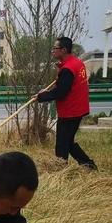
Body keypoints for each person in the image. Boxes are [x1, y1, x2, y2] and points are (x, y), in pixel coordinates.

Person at [34, 36, 97, 170]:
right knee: (68, 141)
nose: (53, 51)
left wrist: (41, 97)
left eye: (55, 48)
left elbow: (61, 92)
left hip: (71, 111)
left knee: (62, 143)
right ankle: (89, 165)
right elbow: (66, 83)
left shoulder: (68, 69)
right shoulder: (77, 63)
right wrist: (59, 72)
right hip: (78, 109)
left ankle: (60, 169)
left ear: (63, 50)